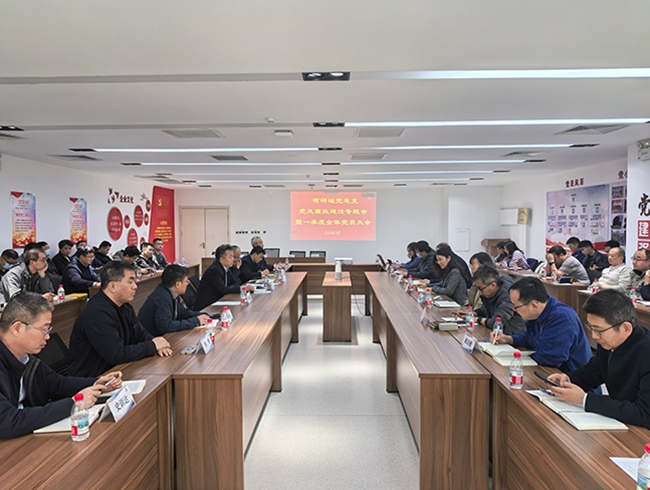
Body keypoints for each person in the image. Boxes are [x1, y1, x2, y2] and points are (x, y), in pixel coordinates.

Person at [0, 292, 123, 439]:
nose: (47, 336)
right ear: (17, 328)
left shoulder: (27, 357)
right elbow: (7, 422)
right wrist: (73, 404)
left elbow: (56, 383)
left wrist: (97, 384)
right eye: (43, 330)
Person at [548, 290, 650, 429]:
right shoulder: (610, 342)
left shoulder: (645, 351)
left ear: (626, 328)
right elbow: (594, 371)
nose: (594, 336)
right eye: (591, 327)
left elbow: (644, 414)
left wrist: (585, 399)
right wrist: (568, 379)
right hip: (621, 421)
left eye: (599, 330)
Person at [68, 261, 172, 377]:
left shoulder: (124, 306)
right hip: (93, 379)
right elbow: (116, 354)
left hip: (117, 371)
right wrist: (152, 346)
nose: (135, 286)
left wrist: (158, 344)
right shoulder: (96, 313)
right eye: (130, 282)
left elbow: (140, 334)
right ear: (112, 286)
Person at [491, 277, 592, 372]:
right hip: (550, 371)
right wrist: (508, 339)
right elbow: (531, 339)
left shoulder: (561, 317)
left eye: (516, 307)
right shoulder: (538, 312)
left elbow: (550, 357)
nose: (514, 310)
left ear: (534, 306)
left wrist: (520, 358)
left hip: (570, 377)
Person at [138, 265, 210, 336]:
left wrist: (200, 315)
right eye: (186, 282)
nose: (187, 285)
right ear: (177, 284)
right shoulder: (162, 298)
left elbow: (182, 312)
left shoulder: (170, 292)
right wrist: (195, 321)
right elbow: (166, 326)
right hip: (150, 338)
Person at [460, 265, 525, 334]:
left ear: (493, 285)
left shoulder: (509, 295)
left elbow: (495, 323)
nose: (479, 292)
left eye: (480, 288)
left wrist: (478, 319)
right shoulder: (491, 292)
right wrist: (473, 313)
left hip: (512, 335)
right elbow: (485, 309)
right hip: (498, 334)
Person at [194, 244, 253, 310]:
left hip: (219, 302)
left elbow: (236, 282)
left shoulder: (226, 268)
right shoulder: (214, 270)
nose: (233, 259)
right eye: (230, 257)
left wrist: (235, 287)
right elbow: (223, 290)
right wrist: (241, 288)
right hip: (207, 307)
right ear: (222, 259)